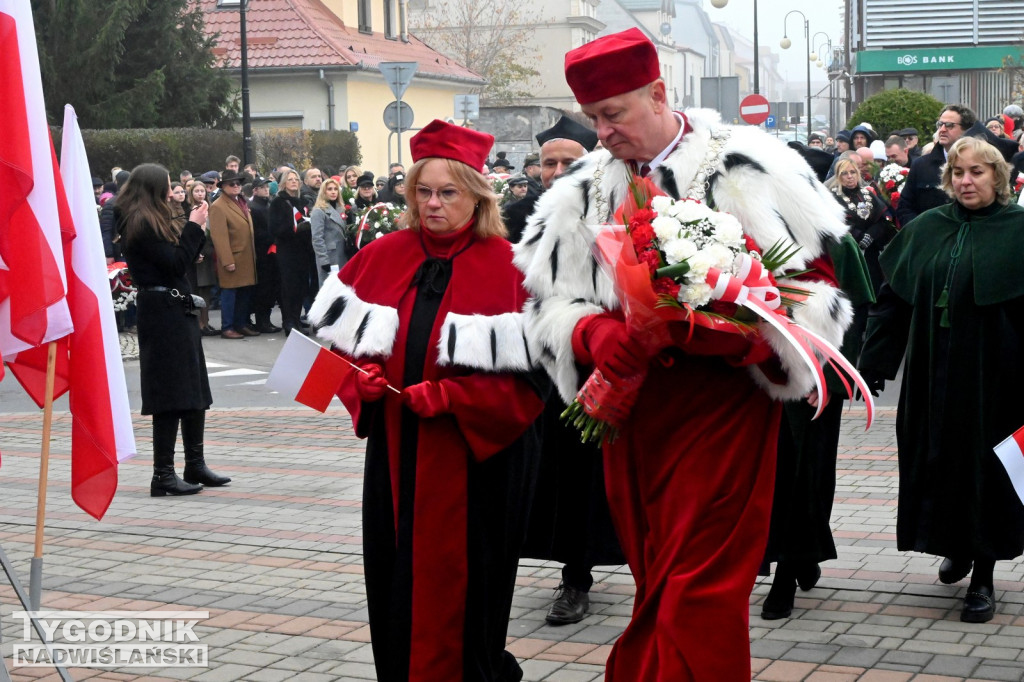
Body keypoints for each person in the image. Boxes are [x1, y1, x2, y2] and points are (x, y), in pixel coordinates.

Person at [514, 28, 851, 681]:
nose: (603, 133)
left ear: (659, 94)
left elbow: (819, 291)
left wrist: (747, 335)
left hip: (722, 414)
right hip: (628, 415)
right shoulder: (582, 188)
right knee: (657, 582)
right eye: (593, 119)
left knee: (699, 591)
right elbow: (547, 303)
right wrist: (596, 335)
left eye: (613, 115)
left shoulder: (752, 164)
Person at [307, 119, 544, 682]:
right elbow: (318, 356)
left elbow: (535, 385)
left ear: (476, 194)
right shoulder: (379, 256)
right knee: (394, 580)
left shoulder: (511, 269)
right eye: (422, 191)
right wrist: (356, 380)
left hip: (475, 464)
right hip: (394, 456)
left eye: (447, 192)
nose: (432, 204)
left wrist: (455, 396)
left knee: (469, 591)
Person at [859, 136, 1024, 624]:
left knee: (986, 470)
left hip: (998, 378)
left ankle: (984, 575)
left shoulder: (1019, 231)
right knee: (940, 461)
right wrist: (870, 367)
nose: (966, 181)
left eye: (977, 172)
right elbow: (892, 304)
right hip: (933, 373)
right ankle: (958, 544)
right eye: (958, 173)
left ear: (997, 176)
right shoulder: (928, 227)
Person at [516, 114, 620, 626]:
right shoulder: (513, 216)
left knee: (585, 476)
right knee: (539, 475)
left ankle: (577, 578)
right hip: (530, 369)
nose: (555, 171)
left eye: (567, 161)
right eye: (547, 162)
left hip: (586, 367)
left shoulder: (609, 214)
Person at [116, 163, 230, 496]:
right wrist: (194, 228)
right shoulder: (140, 224)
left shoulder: (154, 218)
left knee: (193, 388)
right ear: (152, 189)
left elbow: (178, 259)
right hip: (162, 312)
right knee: (169, 392)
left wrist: (191, 237)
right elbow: (174, 264)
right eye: (166, 186)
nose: (171, 192)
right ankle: (162, 474)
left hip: (176, 308)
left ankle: (194, 463)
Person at [503, 115, 598, 243]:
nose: (558, 172)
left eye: (569, 163)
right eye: (550, 164)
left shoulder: (607, 211)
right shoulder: (516, 217)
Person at [898, 105, 974, 225]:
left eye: (949, 125)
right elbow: (905, 207)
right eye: (940, 124)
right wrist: (922, 231)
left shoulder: (979, 165)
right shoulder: (921, 165)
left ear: (966, 129)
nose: (942, 130)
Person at [208, 170, 259, 339]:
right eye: (232, 184)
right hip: (233, 257)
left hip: (245, 256)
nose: (236, 186)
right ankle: (227, 327)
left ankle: (240, 324)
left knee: (245, 293)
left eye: (238, 183)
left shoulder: (241, 202)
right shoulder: (218, 206)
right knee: (229, 293)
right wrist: (227, 260)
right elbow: (219, 236)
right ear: (223, 187)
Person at [270, 168, 316, 335]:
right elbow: (274, 228)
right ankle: (289, 322)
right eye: (290, 179)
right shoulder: (278, 202)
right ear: (284, 183)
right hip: (287, 251)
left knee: (301, 286)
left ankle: (296, 319)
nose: (294, 182)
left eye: (296, 179)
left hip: (302, 250)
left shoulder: (301, 201)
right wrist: (295, 228)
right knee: (289, 287)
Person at [248, 177, 281, 333]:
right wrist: (273, 235)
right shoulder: (253, 207)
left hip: (272, 253)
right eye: (262, 187)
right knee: (263, 288)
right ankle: (261, 321)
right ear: (255, 190)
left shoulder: (269, 204)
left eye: (267, 186)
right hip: (262, 253)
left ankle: (266, 320)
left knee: (271, 288)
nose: (266, 189)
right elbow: (256, 233)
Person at [310, 176, 347, 288]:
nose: (333, 192)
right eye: (329, 189)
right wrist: (323, 260)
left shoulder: (341, 208)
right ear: (323, 191)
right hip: (329, 256)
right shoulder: (318, 211)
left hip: (342, 253)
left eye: (335, 189)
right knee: (329, 289)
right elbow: (317, 238)